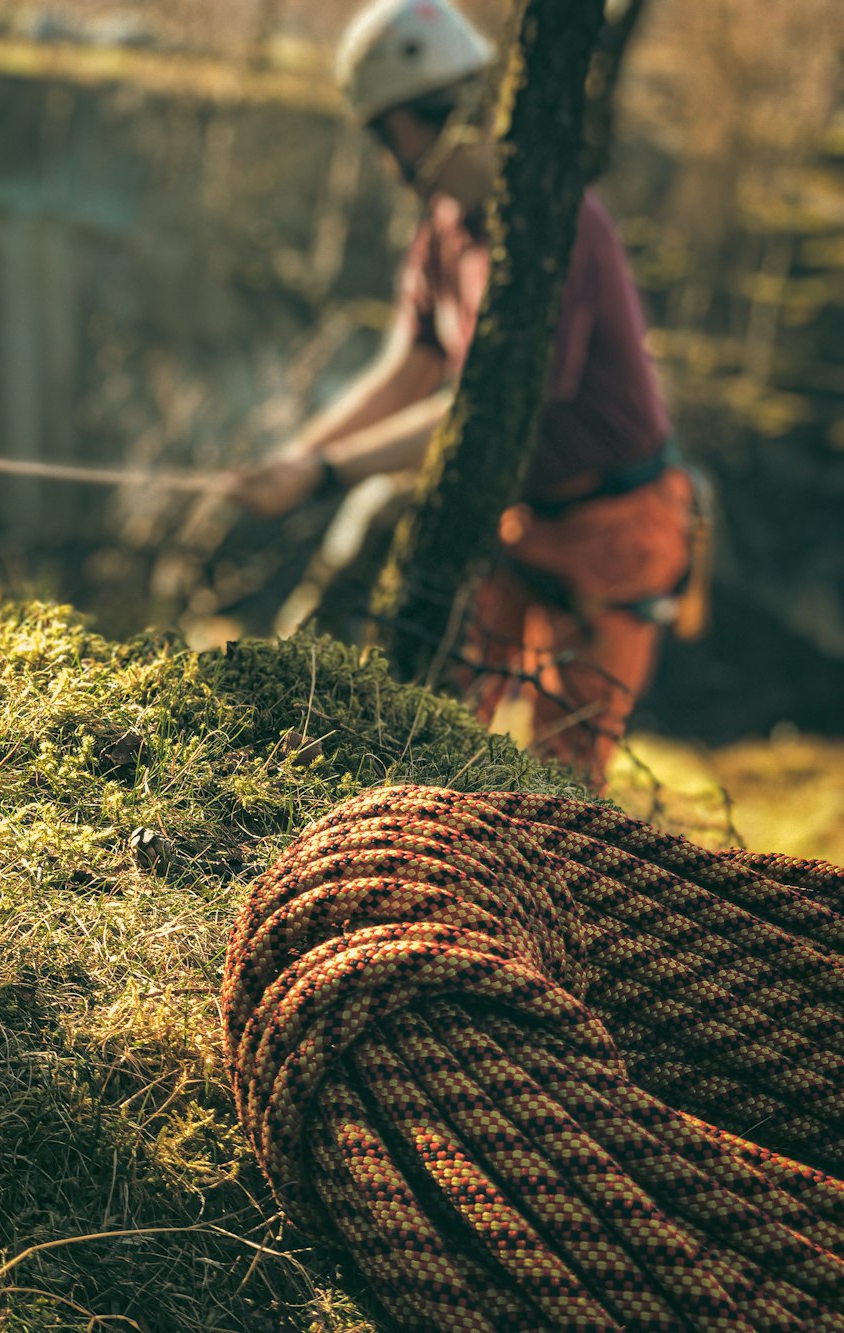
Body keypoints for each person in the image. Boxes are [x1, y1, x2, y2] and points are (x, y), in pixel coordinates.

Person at [225, 0, 694, 791]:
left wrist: (330, 472)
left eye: (384, 135)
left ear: (424, 117)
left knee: (561, 785)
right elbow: (409, 367)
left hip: (617, 528)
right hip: (518, 519)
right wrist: (299, 455)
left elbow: (485, 408)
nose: (384, 158)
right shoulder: (444, 224)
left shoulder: (556, 228)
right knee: (449, 736)